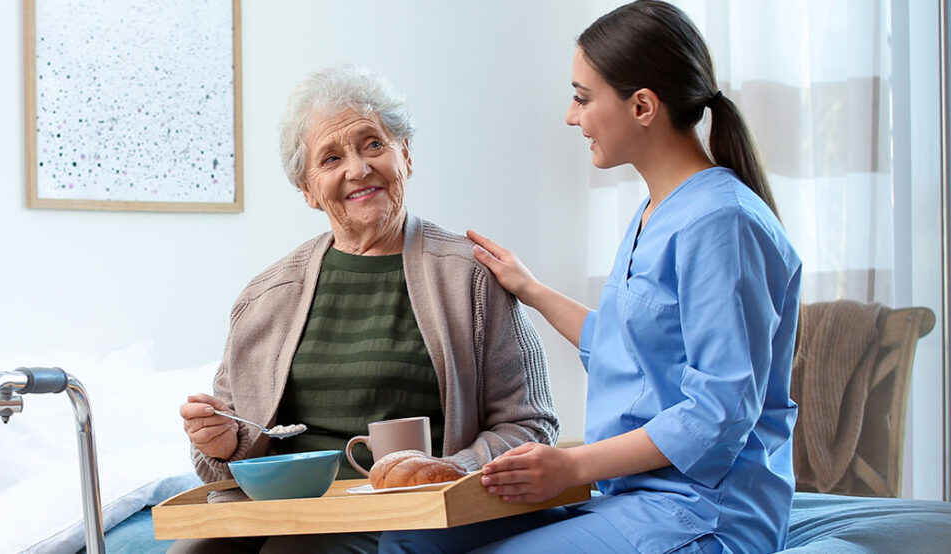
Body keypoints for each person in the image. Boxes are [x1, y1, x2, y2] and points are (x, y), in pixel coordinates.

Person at [380, 1, 802, 553]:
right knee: (414, 541)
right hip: (630, 499)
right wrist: (528, 288)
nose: (570, 116)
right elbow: (625, 349)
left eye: (582, 98)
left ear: (643, 105)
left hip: (703, 513)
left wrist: (568, 464)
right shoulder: (656, 211)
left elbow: (718, 413)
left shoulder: (721, 224)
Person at [173, 64, 559, 554]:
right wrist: (220, 442)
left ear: (406, 156)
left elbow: (531, 424)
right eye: (331, 158)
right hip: (282, 508)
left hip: (408, 512)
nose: (357, 169)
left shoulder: (470, 275)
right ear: (309, 190)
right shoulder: (265, 295)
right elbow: (227, 450)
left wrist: (455, 468)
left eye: (373, 144)